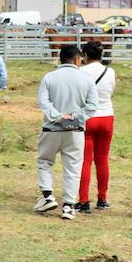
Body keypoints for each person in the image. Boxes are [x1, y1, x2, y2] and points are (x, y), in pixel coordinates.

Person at [34, 44, 97, 221]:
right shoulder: (86, 79)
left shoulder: (49, 77)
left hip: (52, 128)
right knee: (73, 168)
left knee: (45, 162)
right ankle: (68, 206)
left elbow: (44, 103)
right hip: (75, 131)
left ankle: (47, 195)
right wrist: (75, 118)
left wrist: (59, 117)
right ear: (77, 59)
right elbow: (92, 106)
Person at [76, 41, 116, 214]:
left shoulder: (81, 72)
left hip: (88, 117)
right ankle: (102, 197)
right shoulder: (110, 71)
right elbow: (110, 91)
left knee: (84, 160)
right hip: (107, 116)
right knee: (102, 159)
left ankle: (83, 200)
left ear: (85, 56)